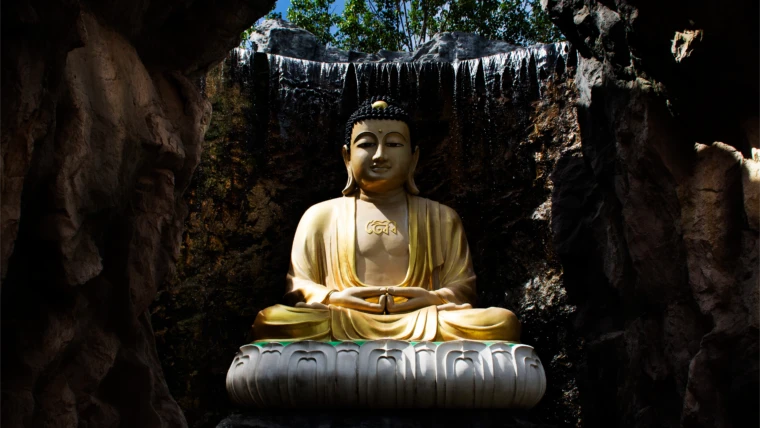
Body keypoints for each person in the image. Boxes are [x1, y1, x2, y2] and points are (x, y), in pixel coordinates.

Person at [252, 97, 521, 342]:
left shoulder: (441, 217)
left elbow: (464, 288)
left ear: (414, 157)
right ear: (347, 157)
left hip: (424, 320)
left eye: (393, 144)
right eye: (367, 144)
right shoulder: (320, 216)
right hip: (341, 319)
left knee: (501, 322)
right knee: (271, 320)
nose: (380, 154)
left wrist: (431, 298)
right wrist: (334, 298)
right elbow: (297, 285)